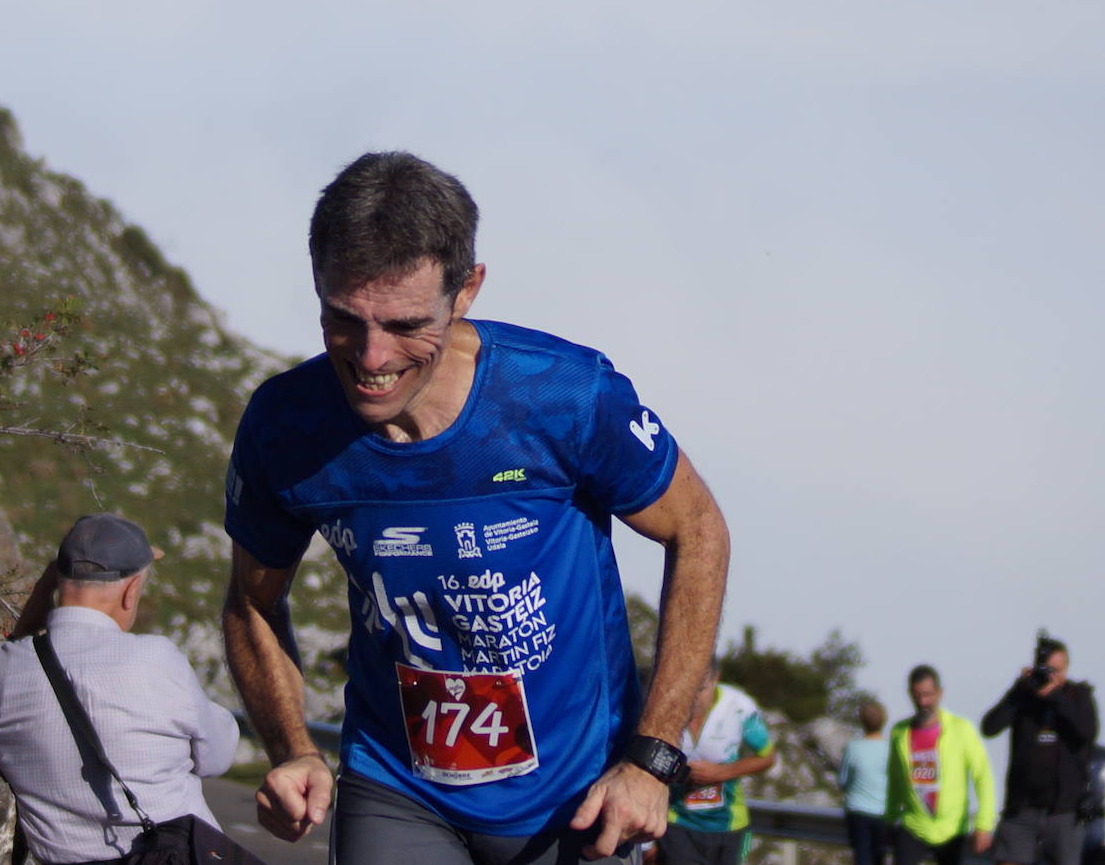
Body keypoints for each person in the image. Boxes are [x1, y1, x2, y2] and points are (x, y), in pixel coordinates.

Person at [221, 151, 731, 865]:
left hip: (572, 796)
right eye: (343, 320)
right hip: (397, 783)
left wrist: (652, 758)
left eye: (404, 325)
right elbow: (250, 600)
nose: (371, 358)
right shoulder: (286, 426)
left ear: (466, 292)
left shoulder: (562, 396)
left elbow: (698, 528)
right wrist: (293, 747)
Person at [0, 513, 240, 865]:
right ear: (131, 591)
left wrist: (40, 600)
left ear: (54, 581)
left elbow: (15, 650)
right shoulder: (156, 659)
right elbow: (217, 758)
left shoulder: (0, 669)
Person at [980, 634, 1099, 865]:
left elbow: (1087, 733)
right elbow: (989, 727)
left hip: (1063, 812)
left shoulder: (1077, 695)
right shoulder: (1022, 696)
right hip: (1022, 808)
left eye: (1058, 670)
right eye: (1047, 670)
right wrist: (1017, 692)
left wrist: (1057, 698)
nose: (1051, 677)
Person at [655, 660, 775, 865]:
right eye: (688, 690)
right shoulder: (665, 705)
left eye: (700, 689)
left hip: (730, 825)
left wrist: (722, 772)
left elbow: (768, 757)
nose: (694, 699)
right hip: (677, 822)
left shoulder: (739, 707)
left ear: (715, 678)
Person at [886, 665, 996, 865]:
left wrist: (984, 823)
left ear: (939, 693)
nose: (923, 702)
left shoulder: (961, 729)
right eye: (917, 695)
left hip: (952, 828)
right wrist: (889, 818)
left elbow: (983, 777)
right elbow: (894, 778)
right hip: (914, 824)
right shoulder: (899, 733)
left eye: (928, 695)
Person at [839, 701, 890, 865]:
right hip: (883, 812)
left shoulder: (853, 747)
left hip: (858, 811)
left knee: (861, 857)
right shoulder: (890, 749)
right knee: (878, 858)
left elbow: (843, 781)